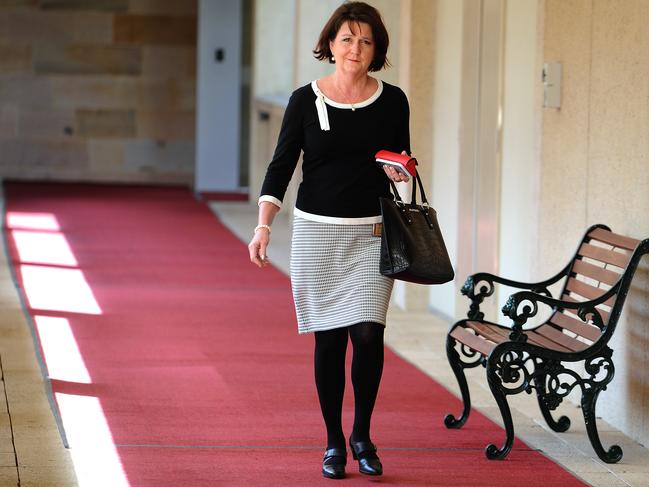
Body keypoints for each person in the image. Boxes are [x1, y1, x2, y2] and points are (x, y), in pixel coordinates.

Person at [248, 1, 410, 480]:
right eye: (347, 39)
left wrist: (401, 174)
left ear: (376, 48)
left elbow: (402, 164)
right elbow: (282, 166)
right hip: (317, 232)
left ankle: (362, 433)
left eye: (365, 41)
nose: (355, 48)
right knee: (330, 339)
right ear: (331, 44)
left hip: (372, 233)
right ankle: (333, 441)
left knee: (368, 333)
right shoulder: (305, 99)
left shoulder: (393, 99)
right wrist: (263, 224)